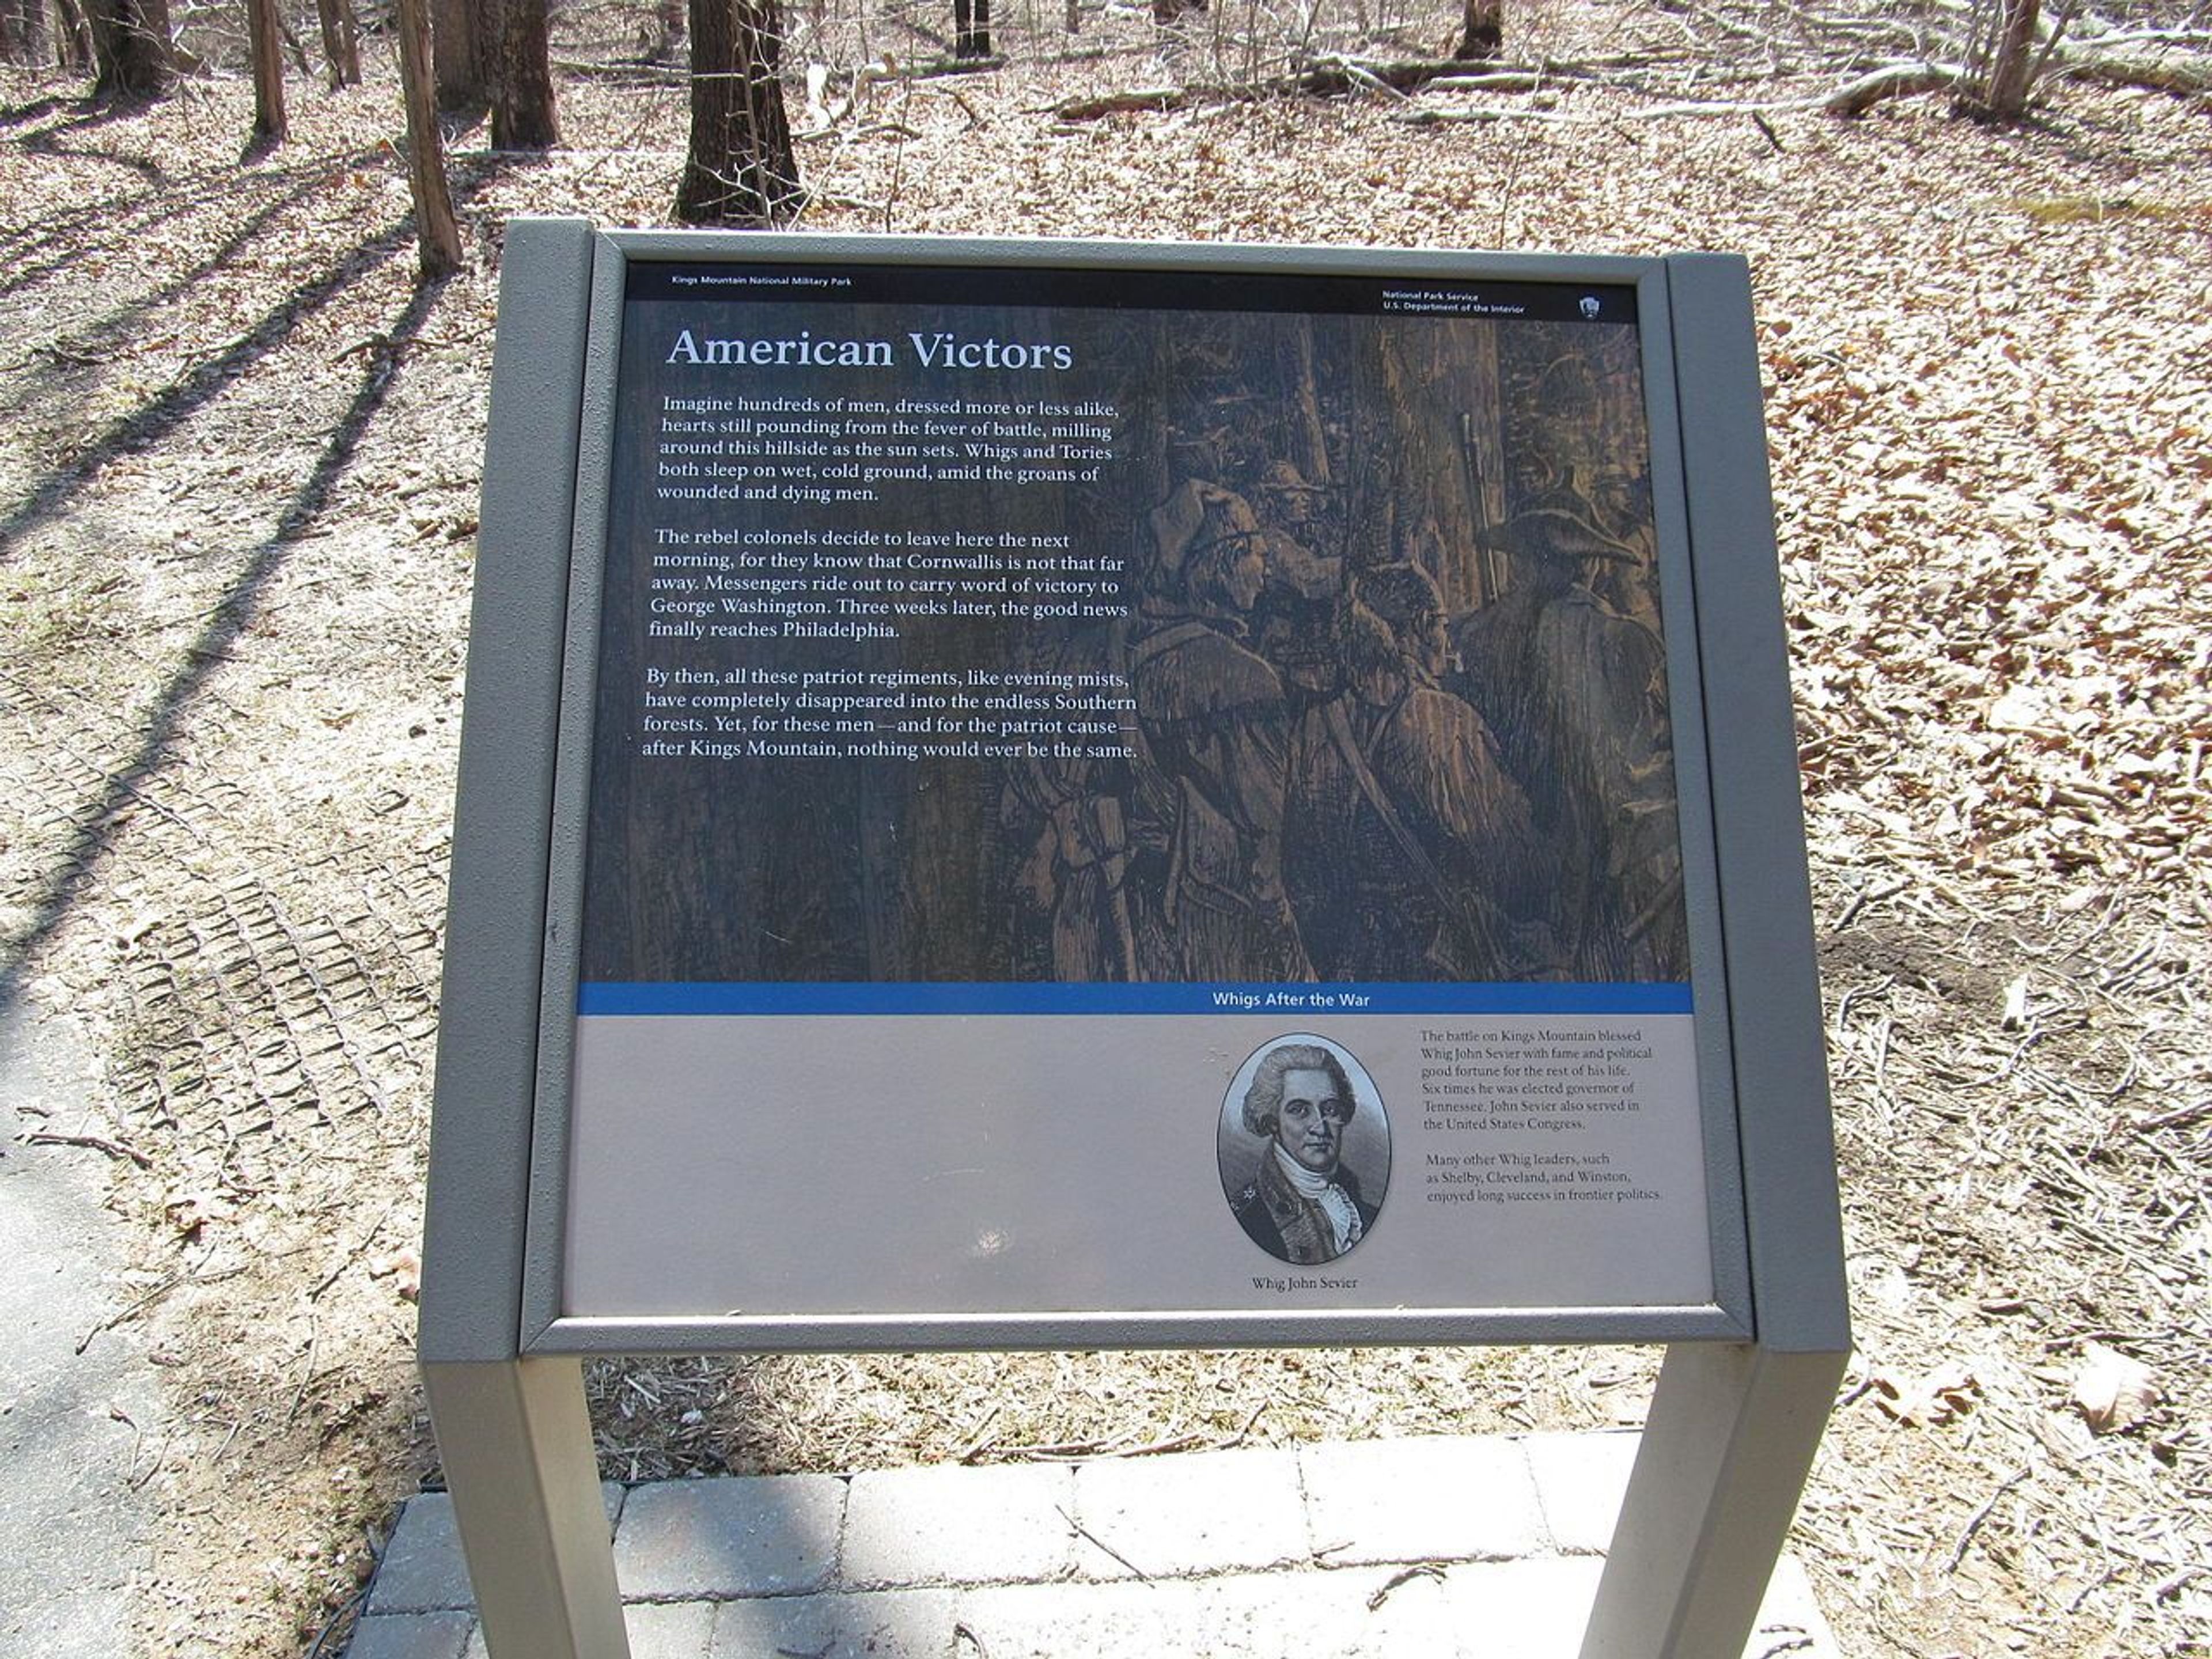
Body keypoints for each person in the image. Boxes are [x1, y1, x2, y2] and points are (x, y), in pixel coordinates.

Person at [1230, 1042, 1377, 1265]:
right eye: (1299, 1110)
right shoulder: (1249, 1218)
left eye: (1330, 1110)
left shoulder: (1365, 1213)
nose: (1320, 1128)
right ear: (1272, 1122)